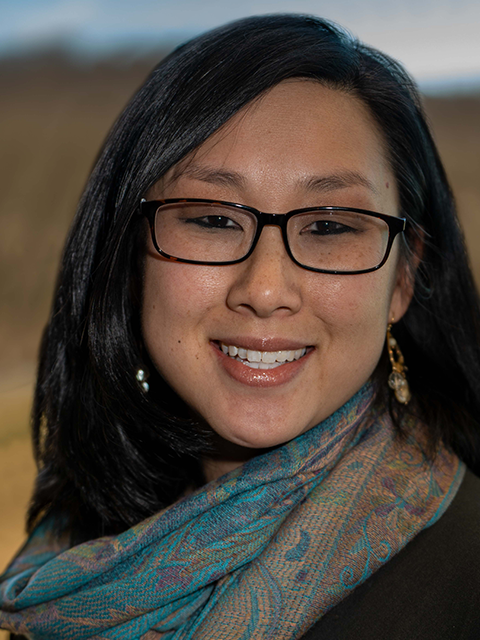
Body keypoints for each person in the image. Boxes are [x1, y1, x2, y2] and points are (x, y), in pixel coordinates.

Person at [1, 13, 480, 640]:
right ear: (128, 254)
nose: (264, 290)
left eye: (331, 226)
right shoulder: (66, 552)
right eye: (214, 220)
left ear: (405, 279)